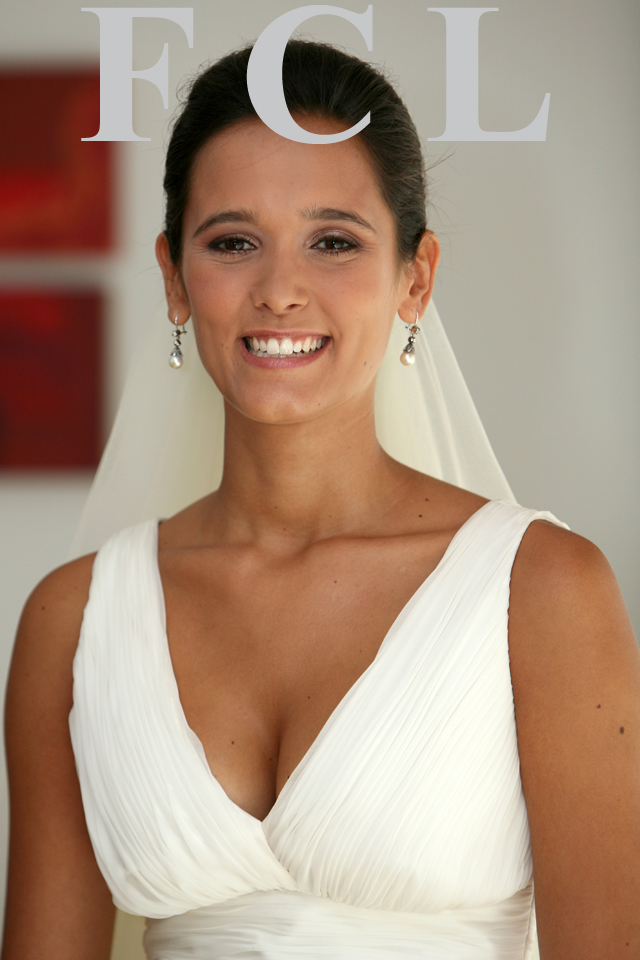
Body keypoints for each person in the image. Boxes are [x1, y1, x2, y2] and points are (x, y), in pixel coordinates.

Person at [2, 39, 639, 960]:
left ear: (416, 277)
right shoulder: (72, 622)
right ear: (175, 278)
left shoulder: (542, 595)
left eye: (333, 241)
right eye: (233, 242)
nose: (280, 292)